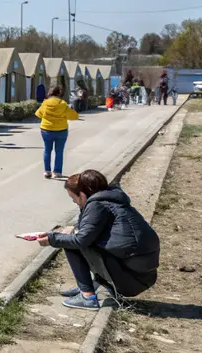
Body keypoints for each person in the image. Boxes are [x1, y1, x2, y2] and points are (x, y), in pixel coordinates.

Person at [37, 170, 160, 309]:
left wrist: (52, 239)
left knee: (70, 242)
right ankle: (96, 286)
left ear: (82, 195)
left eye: (74, 199)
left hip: (131, 278)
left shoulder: (97, 205)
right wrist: (68, 231)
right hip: (140, 274)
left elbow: (81, 240)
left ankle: (87, 296)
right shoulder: (112, 200)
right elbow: (93, 229)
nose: (75, 203)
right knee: (77, 238)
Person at [35, 86, 80, 179]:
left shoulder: (45, 103)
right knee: (59, 151)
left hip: (46, 129)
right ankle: (57, 172)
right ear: (59, 94)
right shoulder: (63, 104)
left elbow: (38, 114)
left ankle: (47, 171)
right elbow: (74, 116)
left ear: (50, 93)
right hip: (61, 130)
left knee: (47, 150)